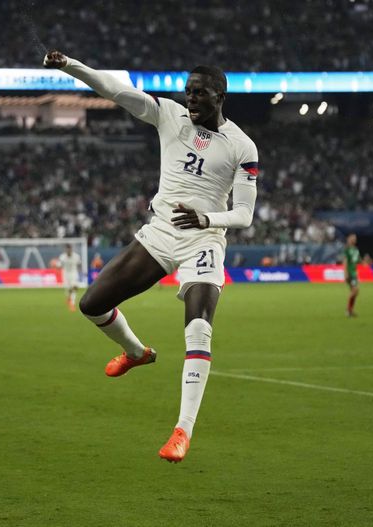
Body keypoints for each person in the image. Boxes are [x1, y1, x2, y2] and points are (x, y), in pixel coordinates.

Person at [44, 51, 259, 462]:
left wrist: (207, 217)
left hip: (206, 239)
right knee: (92, 304)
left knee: (198, 328)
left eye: (199, 93)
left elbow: (245, 214)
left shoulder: (243, 146)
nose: (191, 99)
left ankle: (182, 430)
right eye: (188, 92)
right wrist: (71, 65)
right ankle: (137, 353)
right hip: (161, 233)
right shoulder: (169, 116)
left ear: (220, 96)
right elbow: (116, 90)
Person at [58, 244, 83, 311]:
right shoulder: (62, 257)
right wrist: (56, 265)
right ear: (66, 250)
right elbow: (59, 265)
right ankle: (69, 298)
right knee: (68, 289)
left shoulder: (76, 256)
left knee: (74, 287)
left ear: (71, 249)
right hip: (65, 274)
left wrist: (80, 273)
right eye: (67, 249)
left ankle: (72, 303)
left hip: (74, 273)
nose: (68, 250)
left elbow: (79, 264)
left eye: (69, 249)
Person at [343, 233, 360, 317]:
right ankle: (348, 310)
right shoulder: (347, 250)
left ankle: (350, 310)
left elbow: (357, 261)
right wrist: (345, 274)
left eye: (355, 238)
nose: (354, 239)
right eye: (353, 238)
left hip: (355, 273)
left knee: (355, 292)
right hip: (350, 273)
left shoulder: (356, 250)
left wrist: (365, 262)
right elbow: (345, 262)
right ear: (349, 239)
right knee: (355, 291)